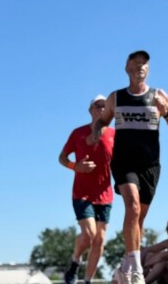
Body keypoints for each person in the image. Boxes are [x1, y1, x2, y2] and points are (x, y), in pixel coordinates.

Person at [89, 50, 168, 284]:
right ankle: (134, 268)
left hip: (150, 164)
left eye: (143, 64)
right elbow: (102, 120)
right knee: (132, 206)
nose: (139, 67)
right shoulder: (116, 97)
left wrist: (166, 111)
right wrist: (97, 130)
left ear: (148, 69)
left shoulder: (159, 95)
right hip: (124, 161)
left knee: (138, 220)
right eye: (135, 64)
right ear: (127, 69)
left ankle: (125, 266)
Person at [59, 95, 115, 284]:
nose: (101, 108)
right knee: (90, 234)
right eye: (97, 106)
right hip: (82, 192)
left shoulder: (115, 135)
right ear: (90, 110)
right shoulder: (78, 133)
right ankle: (75, 261)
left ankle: (87, 280)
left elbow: (121, 162)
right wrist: (76, 167)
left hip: (105, 194)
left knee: (99, 240)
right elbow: (62, 157)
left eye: (104, 106)